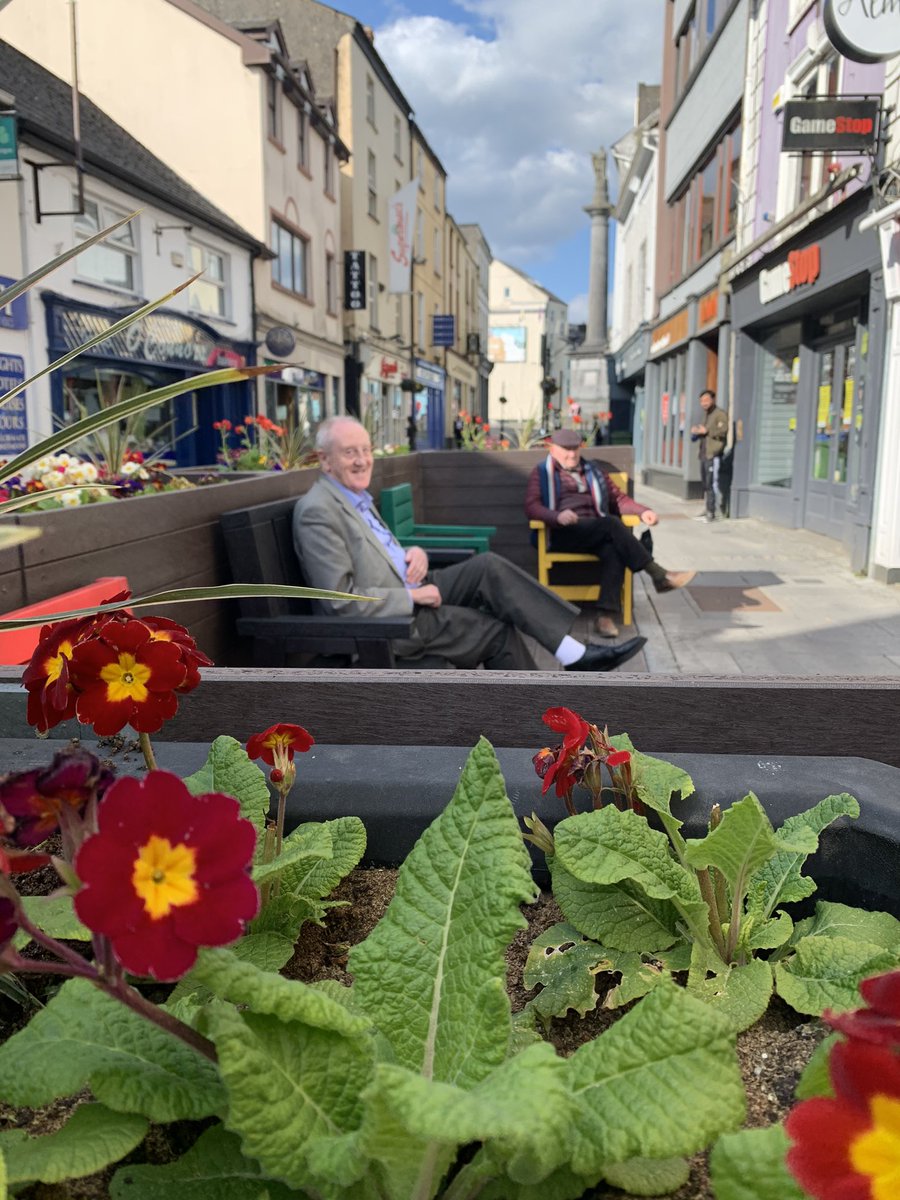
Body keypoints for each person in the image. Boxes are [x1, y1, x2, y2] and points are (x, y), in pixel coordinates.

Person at [293, 416, 647, 672]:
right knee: (495, 631)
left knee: (488, 567)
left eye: (366, 450)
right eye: (349, 453)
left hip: (409, 589)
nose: (362, 460)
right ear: (324, 460)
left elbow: (377, 553)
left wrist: (409, 554)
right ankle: (539, 723)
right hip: (390, 623)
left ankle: (571, 652)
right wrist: (411, 597)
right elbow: (339, 601)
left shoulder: (352, 495)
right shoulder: (318, 511)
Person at [525, 429, 694, 639]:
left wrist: (643, 511)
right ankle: (658, 575)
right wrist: (556, 516)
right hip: (562, 534)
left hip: (595, 532)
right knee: (612, 524)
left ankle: (604, 617)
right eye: (565, 450)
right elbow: (532, 506)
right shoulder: (542, 472)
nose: (571, 455)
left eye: (575, 449)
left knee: (614, 549)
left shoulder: (593, 471)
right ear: (553, 449)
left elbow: (619, 500)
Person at [690, 389, 729, 522]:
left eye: (706, 400)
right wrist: (697, 431)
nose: (704, 403)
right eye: (702, 401)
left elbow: (723, 431)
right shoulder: (706, 415)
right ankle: (707, 508)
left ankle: (713, 512)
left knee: (712, 483)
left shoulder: (720, 414)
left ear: (713, 400)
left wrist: (706, 430)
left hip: (713, 454)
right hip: (703, 454)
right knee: (705, 484)